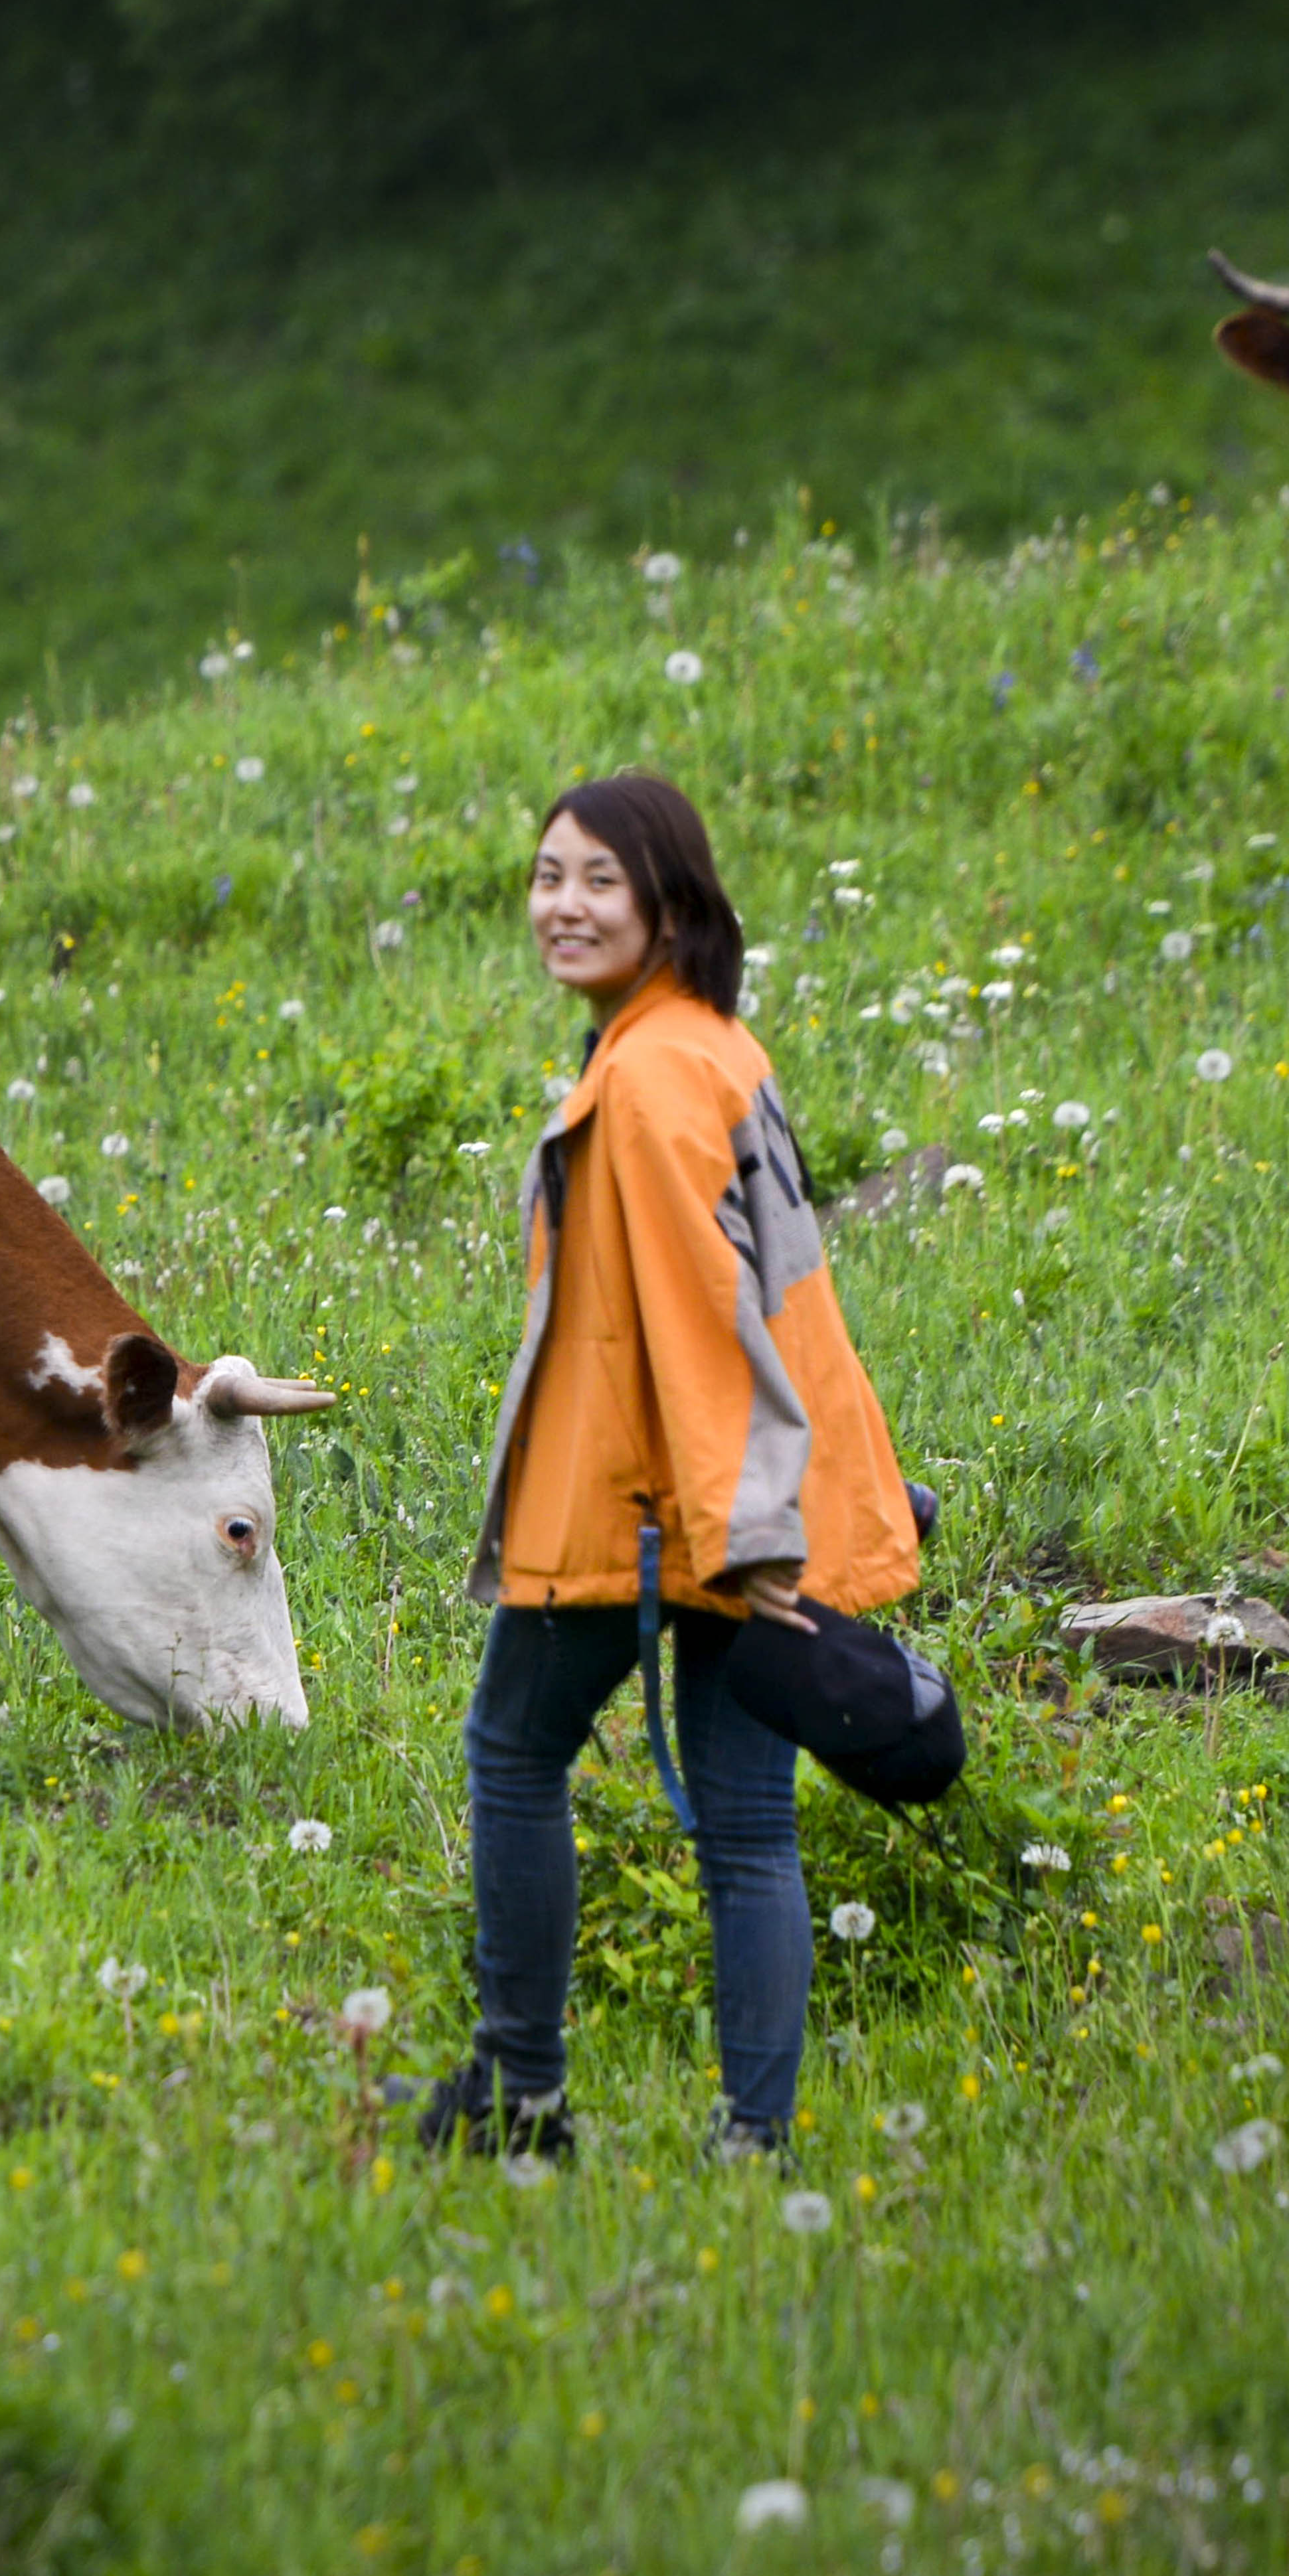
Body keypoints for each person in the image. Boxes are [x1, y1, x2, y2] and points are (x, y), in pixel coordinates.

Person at [416, 771, 923, 2164]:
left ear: (667, 901)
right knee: (750, 1822)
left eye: (597, 880)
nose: (560, 905)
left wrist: (736, 1533)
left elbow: (704, 1325)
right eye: (544, 875)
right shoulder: (708, 1045)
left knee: (512, 1753)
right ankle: (755, 2139)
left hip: (655, 1505)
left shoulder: (640, 1082)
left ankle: (521, 2100)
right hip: (742, 1495)